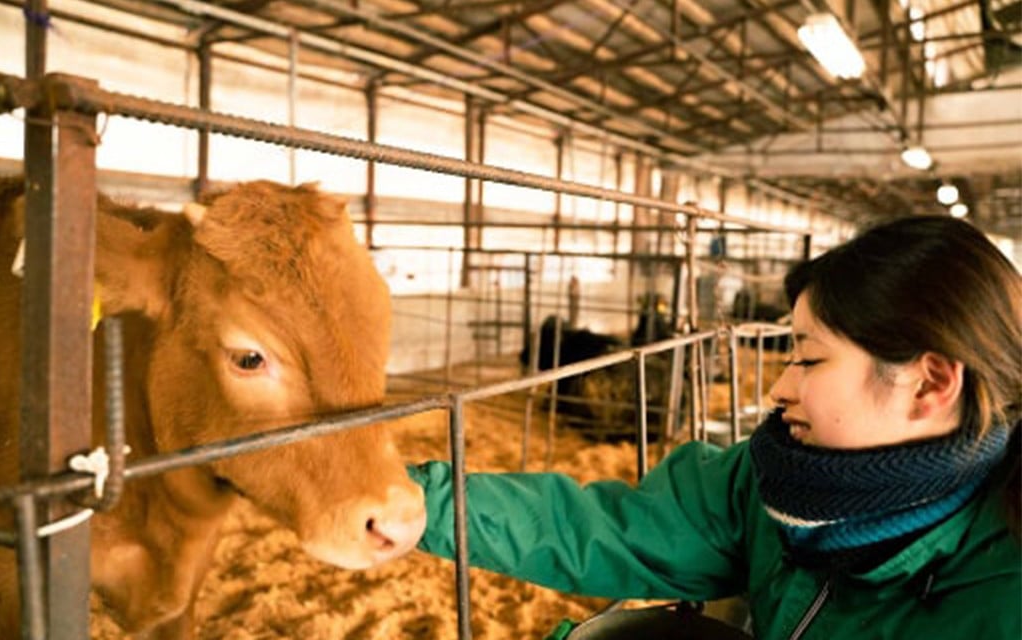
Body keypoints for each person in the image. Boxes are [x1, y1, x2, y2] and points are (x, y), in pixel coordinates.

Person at [408, 215, 1022, 639]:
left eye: (807, 358)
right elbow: (602, 529)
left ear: (930, 384)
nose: (781, 387)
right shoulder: (772, 484)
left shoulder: (1002, 593)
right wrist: (416, 504)